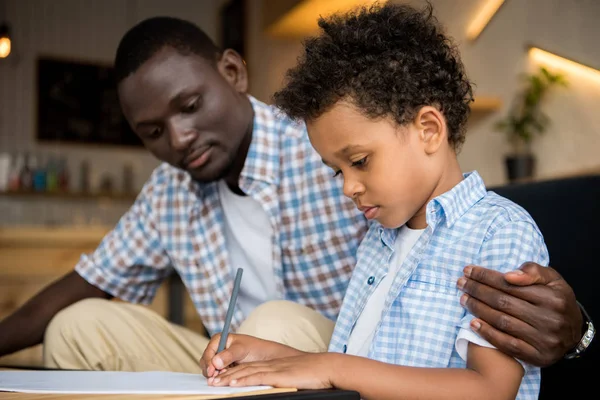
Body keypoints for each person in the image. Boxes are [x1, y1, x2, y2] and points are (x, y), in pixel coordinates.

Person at [0, 15, 587, 373]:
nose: (178, 137)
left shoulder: (331, 144)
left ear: (232, 72)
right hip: (230, 362)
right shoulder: (169, 193)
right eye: (151, 132)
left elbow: (453, 232)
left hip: (343, 357)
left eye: (189, 106)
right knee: (76, 327)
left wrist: (581, 332)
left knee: (272, 323)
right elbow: (87, 280)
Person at [199, 4, 581, 399]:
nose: (348, 187)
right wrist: (268, 355)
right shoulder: (380, 239)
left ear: (429, 130)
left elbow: (488, 390)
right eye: (337, 171)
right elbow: (364, 363)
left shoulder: (498, 232)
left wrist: (331, 366)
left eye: (360, 161)